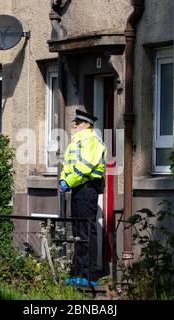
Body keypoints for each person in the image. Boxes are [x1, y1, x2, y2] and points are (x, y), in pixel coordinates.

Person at [59, 109, 107, 287]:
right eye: (75, 122)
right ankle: (79, 272)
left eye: (77, 122)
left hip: (87, 188)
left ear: (87, 125)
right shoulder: (76, 142)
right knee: (78, 232)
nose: (74, 125)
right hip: (77, 188)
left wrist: (68, 181)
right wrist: (63, 178)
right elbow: (67, 164)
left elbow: (85, 166)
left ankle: (90, 275)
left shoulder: (92, 140)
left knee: (87, 231)